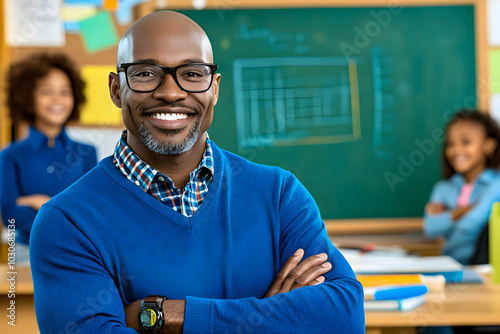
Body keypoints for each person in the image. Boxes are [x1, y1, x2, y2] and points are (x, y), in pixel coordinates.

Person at [29, 11, 364, 333]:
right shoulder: (67, 222)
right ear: (117, 89)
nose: (171, 92)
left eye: (192, 74)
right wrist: (267, 321)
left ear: (214, 87)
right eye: (145, 73)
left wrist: (165, 315)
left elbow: (344, 317)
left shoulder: (278, 194)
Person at [0, 53, 97, 263]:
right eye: (46, 92)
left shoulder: (87, 153)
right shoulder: (10, 156)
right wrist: (66, 213)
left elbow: (92, 213)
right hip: (27, 253)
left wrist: (40, 203)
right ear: (27, 96)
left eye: (65, 92)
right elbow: (10, 217)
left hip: (79, 254)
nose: (57, 100)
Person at [424, 109, 500, 265]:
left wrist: (448, 215)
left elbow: (472, 224)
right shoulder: (443, 188)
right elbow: (430, 228)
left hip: (481, 267)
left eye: (466, 142)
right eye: (450, 144)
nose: (457, 150)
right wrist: (467, 209)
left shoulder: (496, 184)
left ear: (489, 145)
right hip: (448, 266)